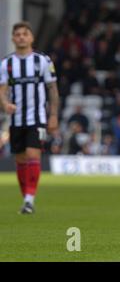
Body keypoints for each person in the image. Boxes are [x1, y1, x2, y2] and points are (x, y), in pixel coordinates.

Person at [0, 22, 59, 214]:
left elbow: (52, 89)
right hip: (16, 120)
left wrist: (53, 115)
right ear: (13, 38)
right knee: (20, 159)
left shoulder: (43, 60)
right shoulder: (6, 64)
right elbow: (2, 90)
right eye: (17, 34)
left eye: (25, 34)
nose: (21, 37)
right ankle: (26, 196)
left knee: (33, 155)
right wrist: (5, 103)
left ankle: (29, 199)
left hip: (37, 118)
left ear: (31, 38)